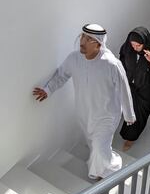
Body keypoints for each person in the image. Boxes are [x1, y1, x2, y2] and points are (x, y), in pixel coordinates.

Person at [33, 24, 135, 181]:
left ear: (98, 44)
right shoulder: (74, 58)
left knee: (100, 148)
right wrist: (47, 90)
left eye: (88, 39)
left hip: (107, 115)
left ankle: (103, 174)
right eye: (82, 37)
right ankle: (104, 163)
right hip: (85, 113)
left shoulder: (111, 64)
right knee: (95, 144)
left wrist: (129, 114)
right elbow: (61, 75)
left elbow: (124, 89)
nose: (83, 41)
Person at [118, 27, 150, 151]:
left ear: (144, 43)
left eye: (138, 45)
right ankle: (127, 129)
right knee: (129, 109)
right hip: (130, 86)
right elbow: (122, 58)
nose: (134, 48)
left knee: (140, 114)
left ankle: (131, 138)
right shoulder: (128, 47)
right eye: (132, 44)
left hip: (145, 89)